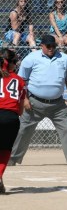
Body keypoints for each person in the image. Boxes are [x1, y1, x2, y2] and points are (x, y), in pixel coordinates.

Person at [7, 35, 67, 167]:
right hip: (34, 102)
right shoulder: (31, 58)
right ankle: (13, 157)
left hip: (58, 104)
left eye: (53, 46)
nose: (51, 48)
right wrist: (25, 99)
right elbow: (21, 81)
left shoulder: (65, 59)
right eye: (48, 46)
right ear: (41, 46)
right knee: (23, 129)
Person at [0, 49, 26, 194]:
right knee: (4, 150)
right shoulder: (19, 80)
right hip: (11, 118)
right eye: (14, 62)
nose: (16, 64)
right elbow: (21, 111)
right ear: (9, 63)